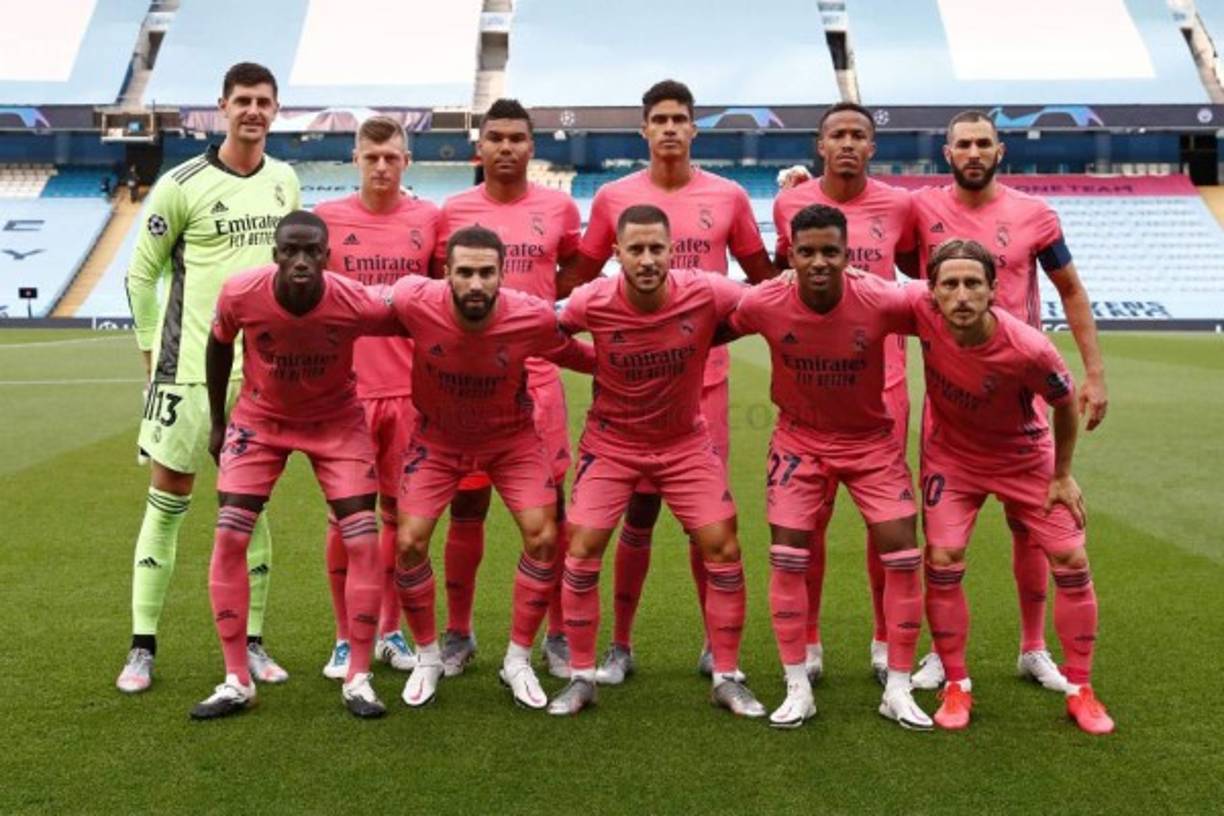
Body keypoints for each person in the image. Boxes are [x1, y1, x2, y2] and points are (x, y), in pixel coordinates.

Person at [567, 80, 775, 684]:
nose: (669, 129)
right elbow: (580, 276)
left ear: (692, 129)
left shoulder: (730, 195)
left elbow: (760, 283)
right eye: (658, 119)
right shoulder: (612, 197)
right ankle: (621, 646)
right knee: (635, 514)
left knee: (705, 521)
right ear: (644, 129)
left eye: (679, 119)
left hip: (702, 384)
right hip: (631, 390)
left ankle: (717, 647)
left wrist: (716, 336)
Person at [908, 111, 1109, 692]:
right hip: (952, 397)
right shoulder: (921, 208)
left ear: (1001, 150)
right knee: (942, 545)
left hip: (1024, 395)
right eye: (963, 144)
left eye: (983, 144)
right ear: (947, 153)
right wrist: (804, 186)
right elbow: (862, 219)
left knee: (1033, 531)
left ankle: (1032, 647)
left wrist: (1093, 373)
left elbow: (1070, 289)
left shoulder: (1035, 215)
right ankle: (943, 656)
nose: (974, 153)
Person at [119, 62, 300, 693]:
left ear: (277, 110)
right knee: (168, 505)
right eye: (242, 100)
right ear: (221, 106)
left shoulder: (285, 182)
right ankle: (143, 645)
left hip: (260, 378)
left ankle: (251, 642)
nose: (253, 111)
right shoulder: (180, 184)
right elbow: (142, 274)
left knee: (250, 508)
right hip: (186, 375)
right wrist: (150, 356)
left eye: (264, 102)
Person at [549, 204, 764, 719]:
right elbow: (546, 332)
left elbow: (765, 304)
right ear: (617, 253)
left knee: (722, 544)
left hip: (684, 442)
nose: (647, 259)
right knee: (581, 546)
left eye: (656, 248)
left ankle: (727, 675)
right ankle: (582, 677)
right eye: (636, 249)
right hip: (611, 443)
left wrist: (717, 336)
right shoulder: (592, 299)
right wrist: (592, 361)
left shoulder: (706, 290)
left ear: (672, 250)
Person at [724, 204, 930, 730]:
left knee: (903, 556)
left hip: (871, 444)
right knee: (788, 554)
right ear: (790, 254)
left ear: (848, 255)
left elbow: (944, 317)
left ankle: (899, 687)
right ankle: (797, 685)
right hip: (800, 443)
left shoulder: (880, 298)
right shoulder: (765, 301)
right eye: (808, 252)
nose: (819, 261)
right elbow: (705, 330)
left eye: (830, 252)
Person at [190, 211, 401, 720]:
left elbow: (412, 319)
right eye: (292, 251)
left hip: (336, 423)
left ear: (328, 257)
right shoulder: (241, 293)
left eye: (312, 252)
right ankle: (237, 679)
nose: (301, 260)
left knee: (362, 539)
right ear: (276, 254)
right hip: (259, 420)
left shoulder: (353, 298)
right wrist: (219, 423)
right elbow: (218, 347)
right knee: (230, 537)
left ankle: (359, 678)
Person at [390, 226, 594, 710]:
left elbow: (575, 354)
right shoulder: (413, 300)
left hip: (511, 441)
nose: (476, 283)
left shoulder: (531, 316)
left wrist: (633, 364)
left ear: (503, 274)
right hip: (437, 439)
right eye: (465, 273)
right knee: (408, 541)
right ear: (446, 275)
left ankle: (518, 659)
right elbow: (355, 313)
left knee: (544, 536)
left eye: (486, 272)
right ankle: (427, 656)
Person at [428, 99, 582, 680]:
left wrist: (536, 312)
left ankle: (560, 634)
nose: (507, 148)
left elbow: (574, 271)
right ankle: (460, 632)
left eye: (517, 138)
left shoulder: (560, 208)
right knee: (467, 504)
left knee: (552, 513)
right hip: (468, 386)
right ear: (481, 146)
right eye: (496, 137)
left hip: (537, 380)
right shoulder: (453, 212)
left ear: (532, 146)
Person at [771, 102, 919, 684]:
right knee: (808, 524)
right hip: (812, 387)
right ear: (820, 145)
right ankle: (807, 641)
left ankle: (885, 641)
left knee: (887, 526)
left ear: (873, 146)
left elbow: (912, 270)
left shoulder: (900, 205)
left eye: (860, 134)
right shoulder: (790, 203)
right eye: (839, 135)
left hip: (884, 389)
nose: (849, 143)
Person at [313, 115, 439, 680]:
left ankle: (387, 629)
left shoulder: (429, 220)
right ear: (356, 160)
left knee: (398, 520)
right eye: (372, 157)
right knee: (346, 519)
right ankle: (344, 638)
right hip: (347, 397)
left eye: (392, 157)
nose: (382, 167)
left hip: (412, 395)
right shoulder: (327, 221)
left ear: (406, 161)